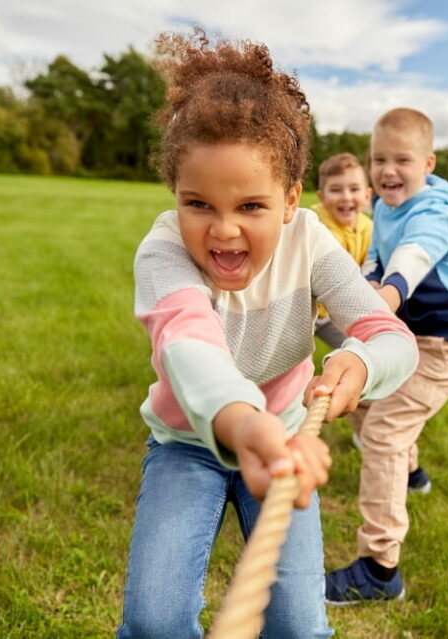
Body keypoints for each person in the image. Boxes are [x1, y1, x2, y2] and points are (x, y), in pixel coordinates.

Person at [117, 31, 418, 638]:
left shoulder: (311, 241)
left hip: (282, 439)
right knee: (154, 623)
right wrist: (243, 421)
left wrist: (358, 364)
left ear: (289, 200)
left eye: (250, 206)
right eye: (197, 203)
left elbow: (391, 336)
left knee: (297, 627)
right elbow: (190, 346)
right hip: (186, 445)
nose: (223, 231)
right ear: (173, 196)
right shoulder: (163, 252)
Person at [324, 107, 448, 605]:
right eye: (379, 159)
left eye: (402, 159)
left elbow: (412, 258)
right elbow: (377, 259)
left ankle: (379, 569)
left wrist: (386, 298)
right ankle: (411, 474)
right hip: (417, 336)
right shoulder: (388, 211)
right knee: (368, 399)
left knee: (383, 431)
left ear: (429, 164)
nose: (388, 170)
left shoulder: (435, 212)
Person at [311, 152, 374, 349]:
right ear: (322, 197)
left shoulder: (368, 228)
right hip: (301, 313)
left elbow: (370, 267)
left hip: (333, 313)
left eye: (354, 189)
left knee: (360, 350)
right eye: (336, 190)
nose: (346, 197)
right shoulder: (315, 224)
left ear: (367, 195)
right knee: (287, 366)